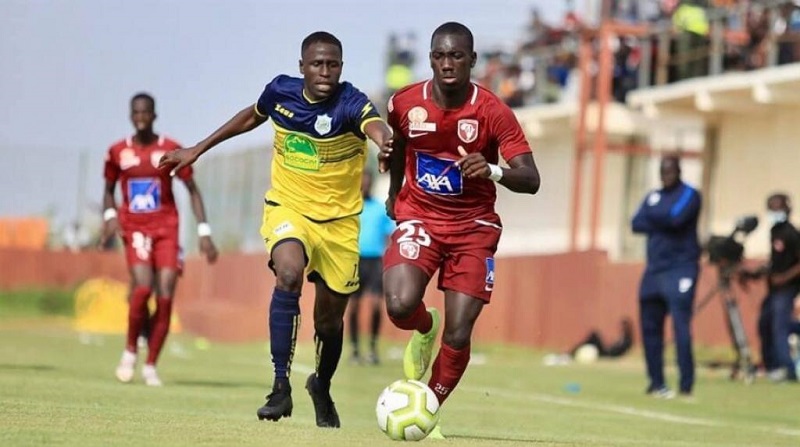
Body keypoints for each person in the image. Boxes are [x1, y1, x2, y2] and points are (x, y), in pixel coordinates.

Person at [159, 32, 393, 428]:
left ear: (341, 67)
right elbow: (251, 115)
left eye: (332, 64)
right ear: (302, 67)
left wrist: (386, 143)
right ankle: (280, 386)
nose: (325, 72)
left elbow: (377, 127)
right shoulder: (280, 93)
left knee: (329, 322)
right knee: (288, 273)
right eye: (317, 64)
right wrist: (198, 148)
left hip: (339, 224)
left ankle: (321, 385)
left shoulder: (352, 103)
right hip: (289, 208)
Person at [378, 22, 540, 435]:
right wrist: (394, 193)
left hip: (473, 229)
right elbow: (399, 145)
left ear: (472, 60)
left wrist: (493, 170)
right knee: (399, 305)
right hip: (420, 216)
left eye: (456, 56)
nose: (447, 64)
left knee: (460, 330)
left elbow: (531, 178)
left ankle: (428, 408)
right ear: (431, 59)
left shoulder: (492, 111)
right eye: (440, 56)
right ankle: (423, 327)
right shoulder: (403, 102)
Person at [101, 92, 218, 387]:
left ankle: (151, 365)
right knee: (142, 287)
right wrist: (110, 217)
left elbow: (192, 189)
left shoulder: (169, 149)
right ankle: (130, 351)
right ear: (131, 116)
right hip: (135, 228)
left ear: (154, 115)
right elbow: (108, 190)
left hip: (166, 228)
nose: (141, 117)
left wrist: (204, 231)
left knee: (165, 294)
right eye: (136, 112)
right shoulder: (117, 152)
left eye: (146, 112)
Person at [631, 155, 701, 398]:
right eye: (662, 171)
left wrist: (654, 217)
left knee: (680, 326)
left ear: (679, 171)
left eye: (670, 171)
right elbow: (636, 223)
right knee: (650, 327)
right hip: (654, 270)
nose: (666, 175)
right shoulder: (653, 196)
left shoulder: (690, 194)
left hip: (681, 268)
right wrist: (661, 217)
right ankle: (656, 382)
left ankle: (686, 384)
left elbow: (676, 219)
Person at [740, 193, 800, 382]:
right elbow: (775, 261)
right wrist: (757, 273)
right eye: (771, 208)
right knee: (765, 323)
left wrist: (784, 277)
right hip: (774, 290)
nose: (774, 211)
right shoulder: (775, 231)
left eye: (778, 207)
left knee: (778, 326)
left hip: (787, 288)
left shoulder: (791, 233)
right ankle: (771, 365)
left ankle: (787, 369)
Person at [347, 170, 395, 365]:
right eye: (362, 182)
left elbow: (389, 234)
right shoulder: (350, 207)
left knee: (376, 304)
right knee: (353, 305)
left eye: (368, 182)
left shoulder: (379, 208)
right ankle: (355, 349)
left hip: (375, 261)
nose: (365, 185)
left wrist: (389, 258)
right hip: (355, 260)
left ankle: (373, 348)